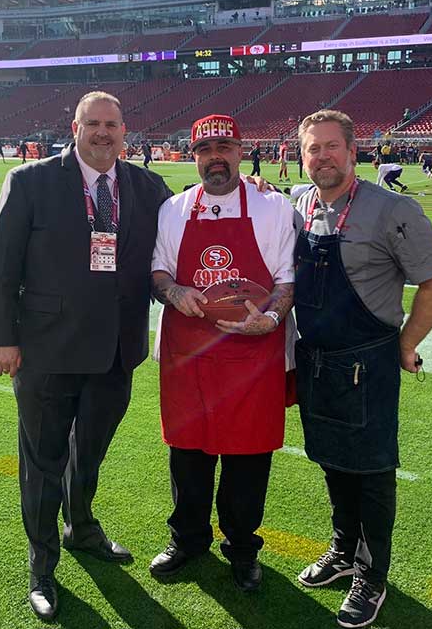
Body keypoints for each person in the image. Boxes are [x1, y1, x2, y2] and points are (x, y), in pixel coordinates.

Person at [0, 91, 171, 622]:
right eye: (94, 123)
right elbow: (0, 265)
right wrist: (3, 337)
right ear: (75, 126)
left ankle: (81, 526)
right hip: (48, 349)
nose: (103, 133)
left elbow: (188, 222)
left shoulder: (146, 185)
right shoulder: (30, 181)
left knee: (89, 451)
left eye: (112, 124)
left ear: (124, 131)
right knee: (43, 461)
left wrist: (255, 193)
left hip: (116, 350)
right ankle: (42, 564)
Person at [292, 110, 432, 628]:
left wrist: (407, 345)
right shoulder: (300, 204)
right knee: (333, 462)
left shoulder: (392, 208)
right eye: (313, 149)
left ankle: (372, 574)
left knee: (373, 472)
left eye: (332, 147)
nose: (323, 157)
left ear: (353, 150)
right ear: (302, 156)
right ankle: (342, 552)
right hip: (315, 362)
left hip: (368, 363)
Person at [149, 114, 295, 592]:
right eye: (205, 149)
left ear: (240, 150)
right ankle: (188, 539)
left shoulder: (272, 207)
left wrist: (269, 319)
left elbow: (286, 282)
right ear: (194, 156)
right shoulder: (172, 209)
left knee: (247, 458)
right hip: (189, 352)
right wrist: (174, 293)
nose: (216, 156)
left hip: (252, 354)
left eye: (225, 146)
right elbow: (159, 273)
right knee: (187, 454)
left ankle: (242, 547)